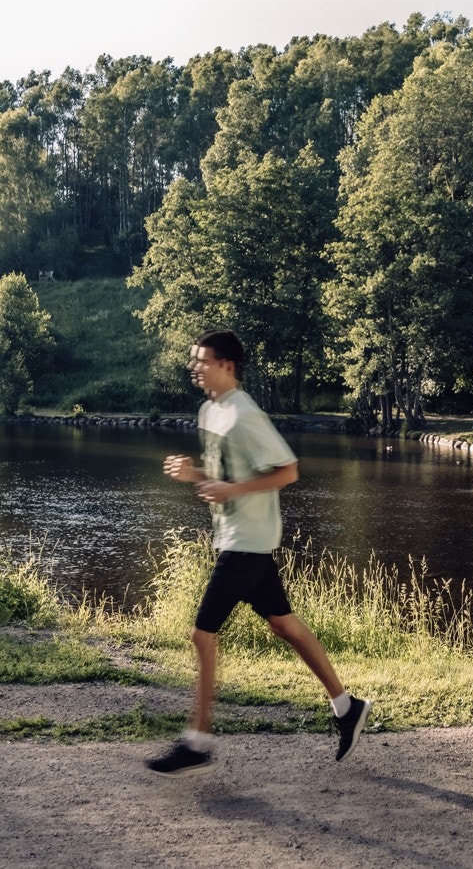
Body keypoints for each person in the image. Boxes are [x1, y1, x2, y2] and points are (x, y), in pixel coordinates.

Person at [147, 330, 371, 776]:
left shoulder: (245, 414)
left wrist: (233, 489)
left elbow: (287, 471)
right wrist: (194, 472)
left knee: (202, 634)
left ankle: (198, 740)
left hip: (246, 541)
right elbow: (226, 471)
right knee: (284, 624)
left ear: (227, 365)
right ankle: (347, 708)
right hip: (237, 536)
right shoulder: (210, 410)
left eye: (203, 360)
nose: (195, 367)